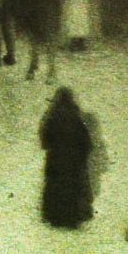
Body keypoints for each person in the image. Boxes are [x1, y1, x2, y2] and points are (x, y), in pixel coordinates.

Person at [38, 86, 96, 228]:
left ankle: (55, 218)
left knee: (55, 188)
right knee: (72, 189)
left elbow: (44, 141)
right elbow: (86, 142)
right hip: (74, 163)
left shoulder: (51, 118)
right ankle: (72, 219)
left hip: (55, 162)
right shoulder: (76, 118)